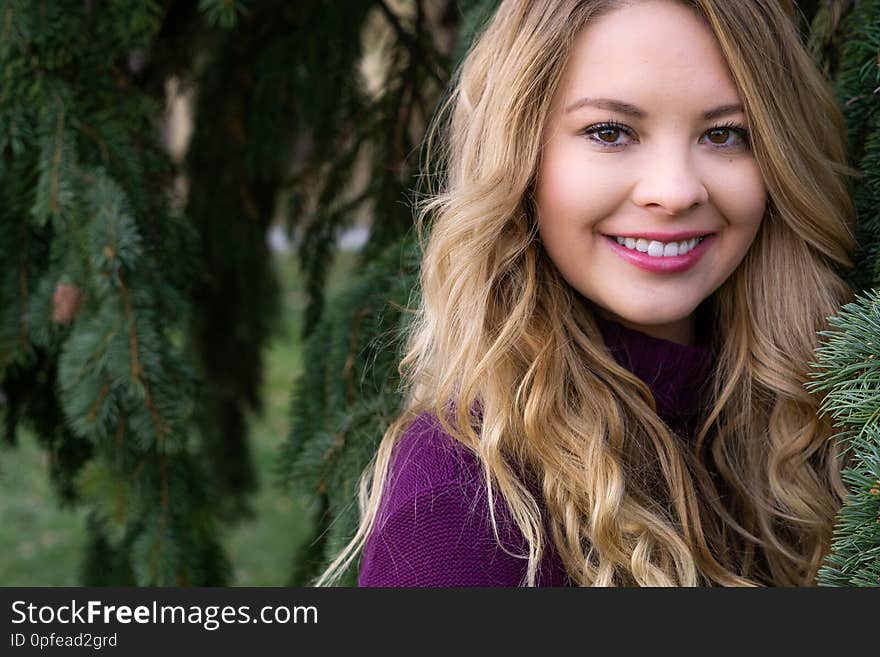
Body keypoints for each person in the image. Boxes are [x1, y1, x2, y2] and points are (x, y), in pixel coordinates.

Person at [321, 0, 857, 586]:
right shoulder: (464, 503)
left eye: (724, 134)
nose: (674, 191)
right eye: (610, 132)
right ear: (521, 155)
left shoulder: (820, 423)